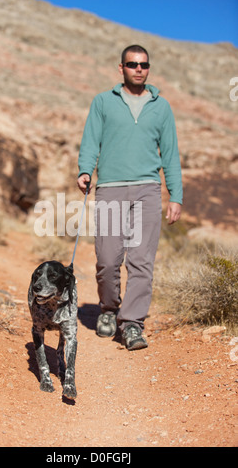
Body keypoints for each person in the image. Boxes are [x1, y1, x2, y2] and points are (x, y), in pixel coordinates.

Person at [77, 44, 182, 351]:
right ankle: (109, 309)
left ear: (148, 68)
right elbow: (90, 140)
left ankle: (133, 323)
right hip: (110, 188)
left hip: (148, 190)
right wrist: (85, 170)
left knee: (141, 261)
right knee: (108, 260)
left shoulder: (161, 107)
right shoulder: (102, 102)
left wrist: (175, 195)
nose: (139, 69)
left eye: (144, 65)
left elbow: (171, 156)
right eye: (133, 64)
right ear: (120, 68)